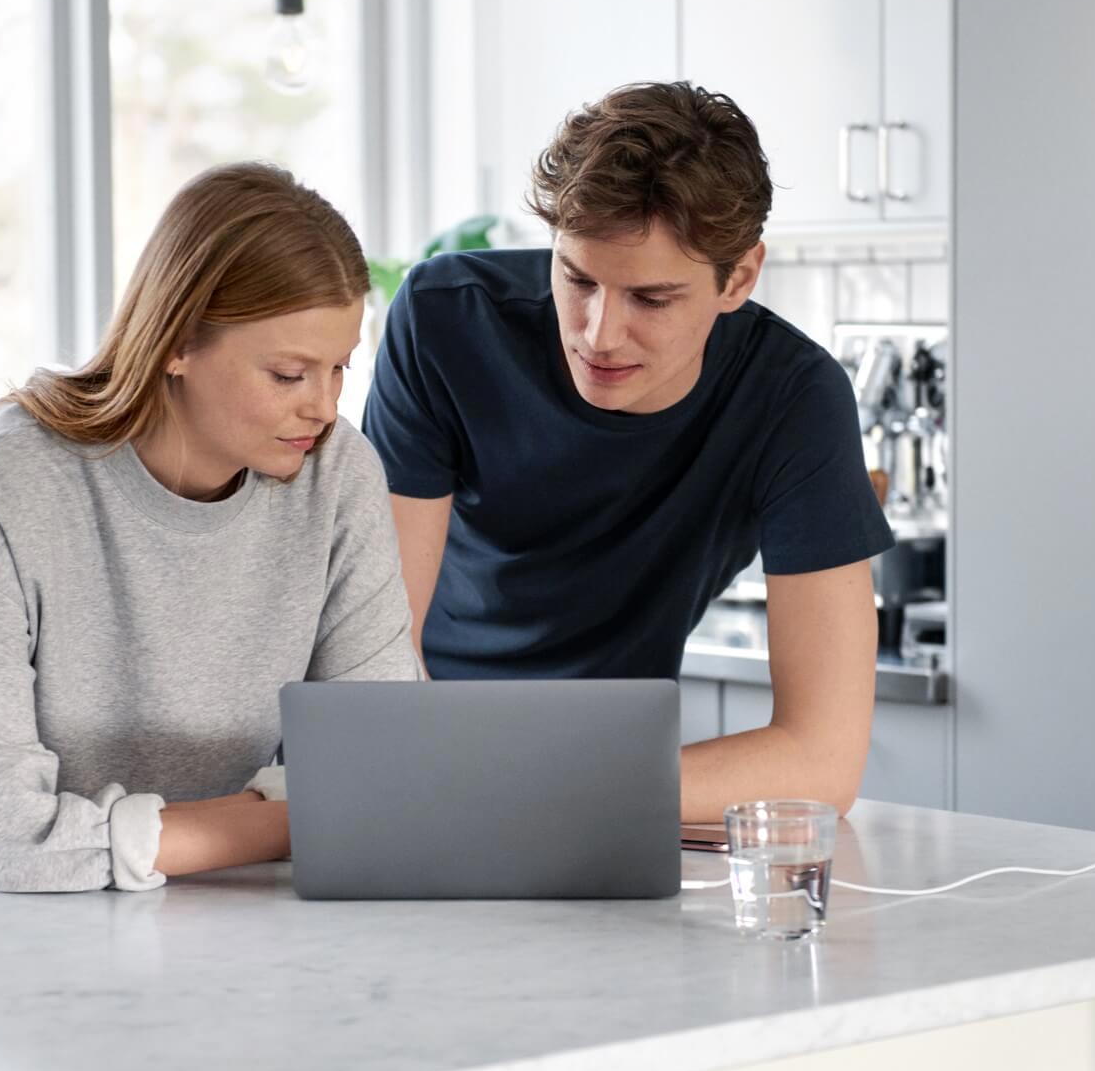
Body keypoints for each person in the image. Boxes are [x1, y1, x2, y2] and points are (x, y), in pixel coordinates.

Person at [0, 162, 418, 910]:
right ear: (176, 342)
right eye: (290, 374)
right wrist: (281, 823)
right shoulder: (12, 478)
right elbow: (2, 838)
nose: (325, 409)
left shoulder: (337, 475)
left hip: (169, 859)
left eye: (340, 370)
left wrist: (232, 827)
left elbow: (379, 762)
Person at [362, 82, 894, 821]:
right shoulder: (444, 321)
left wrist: (531, 795)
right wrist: (431, 783)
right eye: (576, 279)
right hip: (426, 759)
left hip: (607, 783)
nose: (598, 333)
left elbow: (822, 761)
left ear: (738, 277)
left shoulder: (793, 398)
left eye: (651, 298)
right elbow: (373, 654)